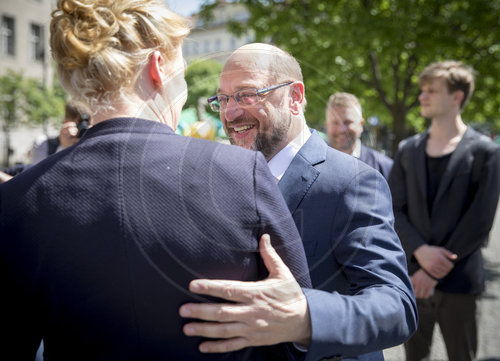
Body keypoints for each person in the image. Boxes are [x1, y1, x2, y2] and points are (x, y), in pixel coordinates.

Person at [0, 2, 312, 360]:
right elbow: (293, 323)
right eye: (182, 72)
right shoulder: (240, 173)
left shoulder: (16, 201)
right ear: (158, 68)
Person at [179, 43, 417, 361]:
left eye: (247, 94)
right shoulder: (222, 179)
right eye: (222, 99)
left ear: (295, 97)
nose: (230, 113)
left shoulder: (353, 181)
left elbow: (397, 308)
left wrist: (304, 319)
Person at [388, 60, 500, 361]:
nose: (422, 96)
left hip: (460, 282)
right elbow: (393, 209)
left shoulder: (485, 152)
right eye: (422, 90)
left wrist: (434, 270)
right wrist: (420, 253)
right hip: (412, 279)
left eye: (432, 90)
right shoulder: (407, 149)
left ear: (457, 97)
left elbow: (480, 221)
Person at [326, 92, 393, 179]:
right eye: (335, 123)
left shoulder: (384, 167)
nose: (341, 129)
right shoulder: (311, 166)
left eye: (348, 122)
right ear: (327, 125)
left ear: (360, 124)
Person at [30, 100, 91, 164]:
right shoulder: (43, 144)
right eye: (79, 126)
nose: (83, 130)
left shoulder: (94, 145)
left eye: (86, 126)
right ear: (66, 122)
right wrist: (63, 147)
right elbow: (39, 173)